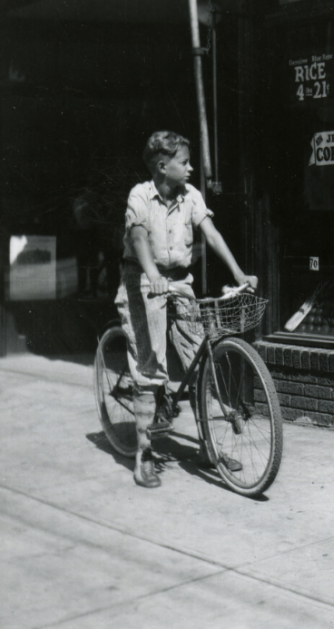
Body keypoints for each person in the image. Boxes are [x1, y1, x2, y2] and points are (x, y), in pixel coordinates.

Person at [116, 131, 257, 488]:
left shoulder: (191, 195)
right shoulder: (140, 195)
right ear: (163, 167)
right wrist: (152, 275)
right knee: (151, 367)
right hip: (143, 279)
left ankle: (209, 447)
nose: (191, 168)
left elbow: (210, 233)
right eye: (184, 162)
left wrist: (239, 272)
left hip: (179, 280)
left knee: (199, 360)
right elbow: (138, 237)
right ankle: (144, 453)